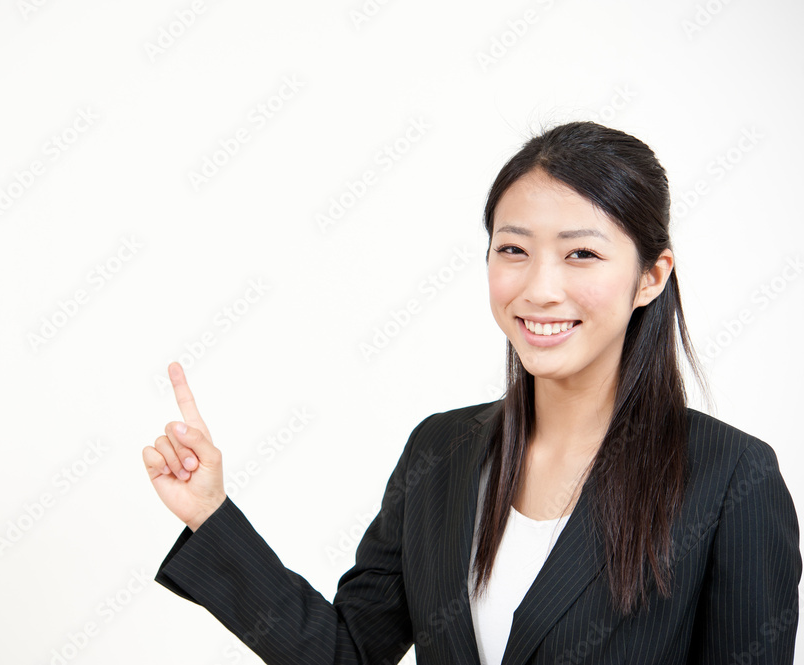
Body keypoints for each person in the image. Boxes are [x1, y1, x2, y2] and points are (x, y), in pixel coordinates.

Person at [143, 121, 802, 664]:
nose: (539, 288)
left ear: (651, 277)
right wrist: (211, 512)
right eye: (513, 250)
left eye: (581, 255)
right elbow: (347, 654)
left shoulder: (730, 477)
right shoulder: (442, 449)